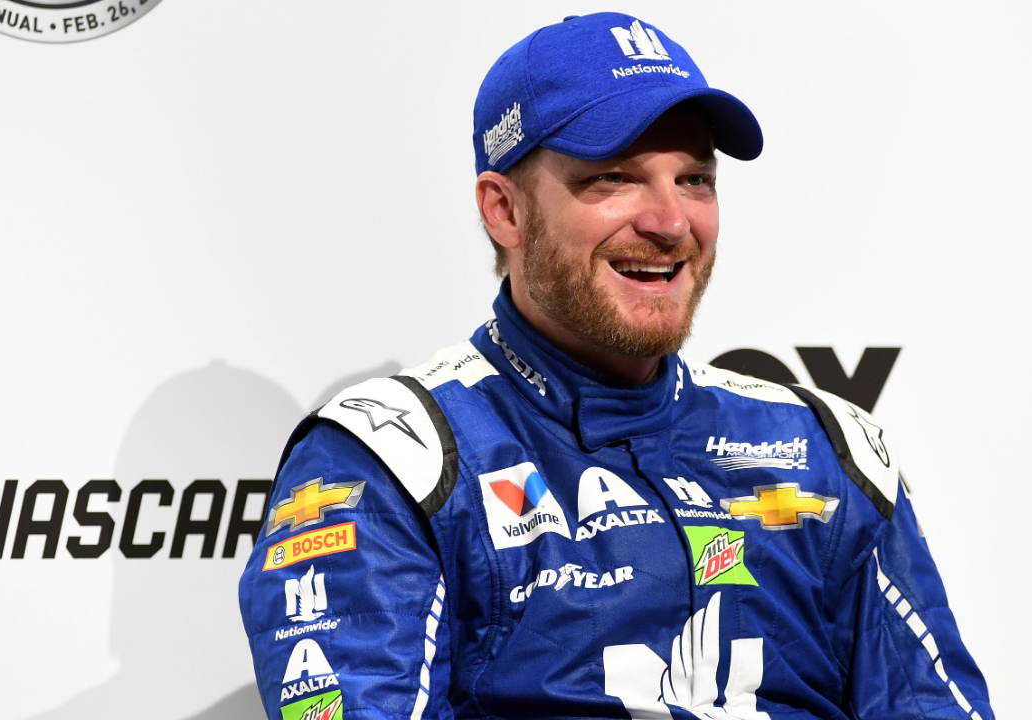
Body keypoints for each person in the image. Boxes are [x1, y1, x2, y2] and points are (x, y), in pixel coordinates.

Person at [239, 12, 994, 720]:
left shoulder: (827, 452)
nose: (670, 223)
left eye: (694, 179)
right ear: (504, 210)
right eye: (614, 178)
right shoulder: (395, 461)